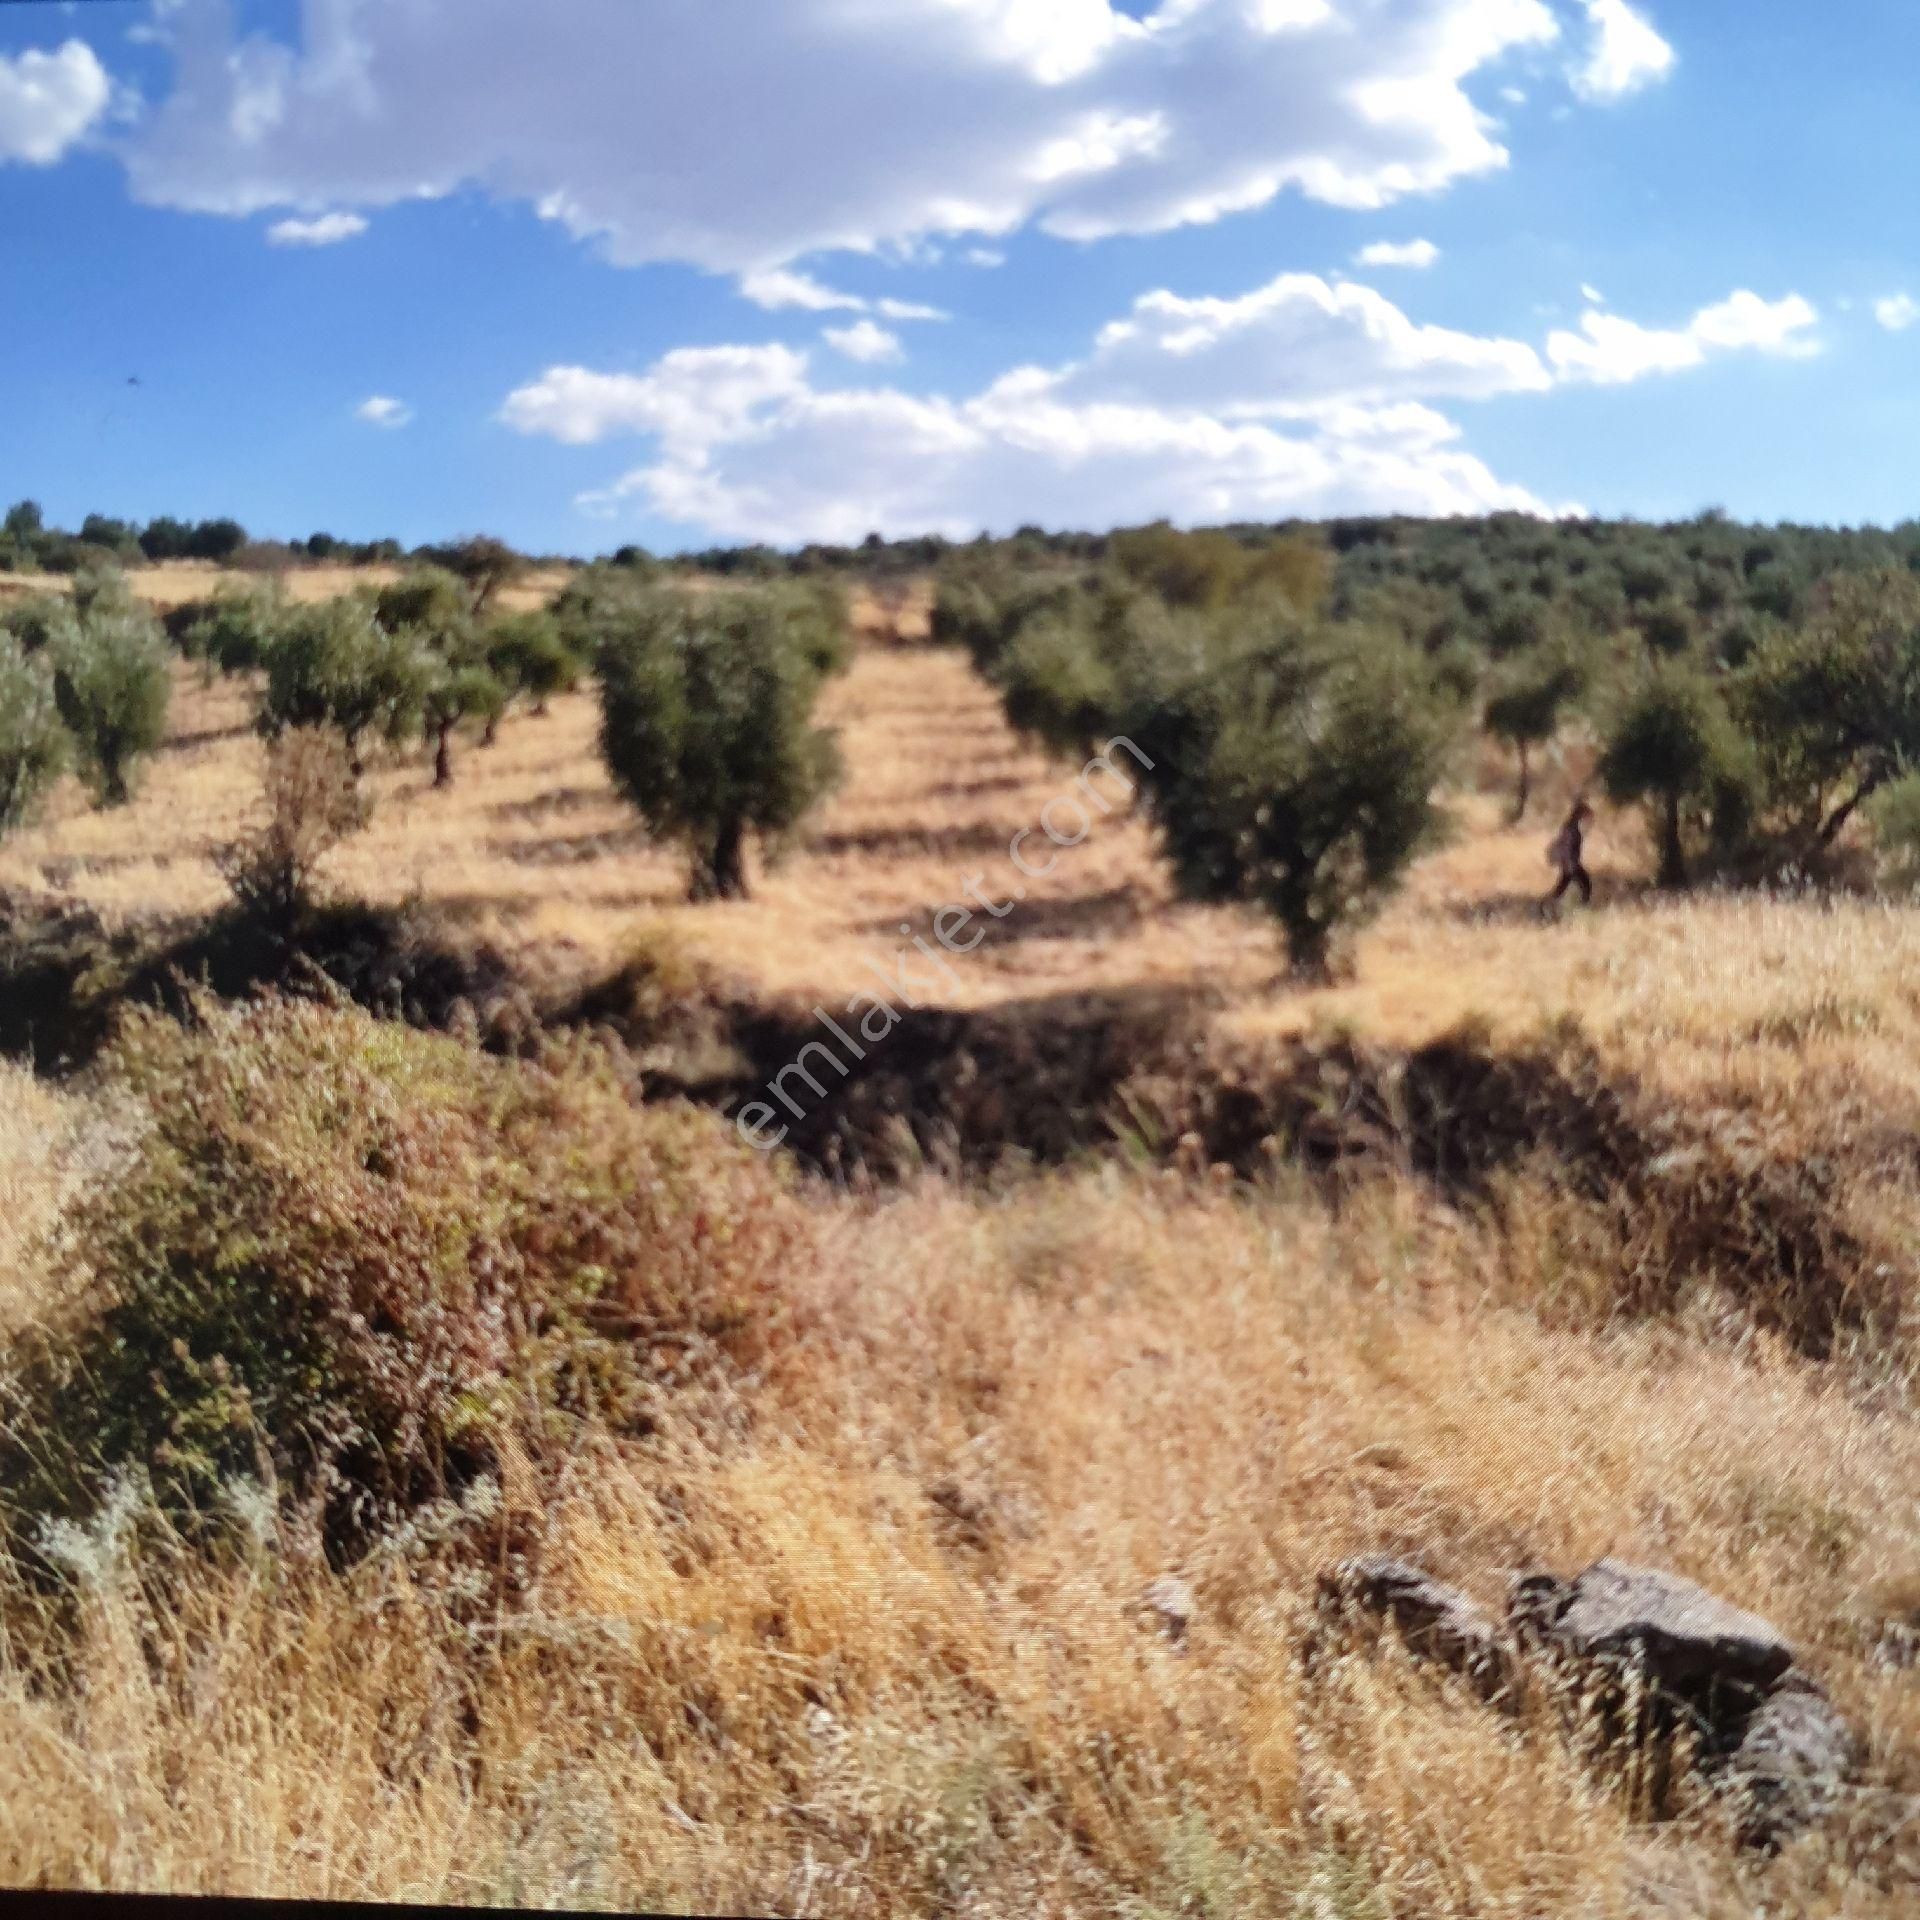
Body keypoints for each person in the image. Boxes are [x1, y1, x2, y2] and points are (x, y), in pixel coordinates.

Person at [1545, 798, 1594, 908]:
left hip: (1571, 863)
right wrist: (1569, 865)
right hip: (1571, 864)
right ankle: (1582, 907)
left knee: (1563, 887)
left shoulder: (1573, 826)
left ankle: (1547, 905)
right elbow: (1566, 848)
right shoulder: (1571, 828)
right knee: (1585, 885)